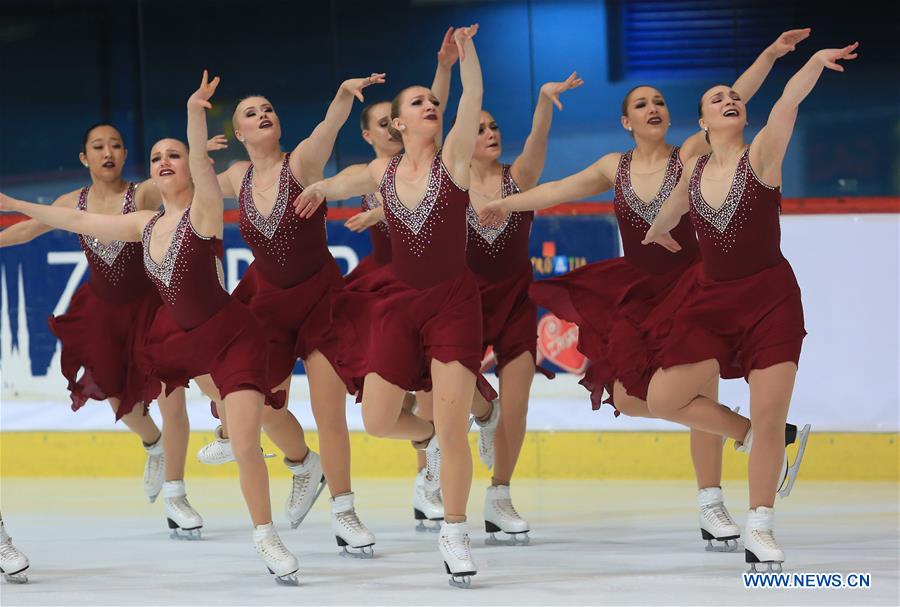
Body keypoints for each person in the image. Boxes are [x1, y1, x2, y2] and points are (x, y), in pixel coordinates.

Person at [480, 29, 813, 552]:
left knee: (697, 392)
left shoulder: (693, 152)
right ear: (625, 121)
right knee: (629, 397)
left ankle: (712, 502)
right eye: (641, 103)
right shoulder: (614, 167)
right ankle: (757, 435)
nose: (653, 107)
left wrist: (769, 54)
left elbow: (735, 100)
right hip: (639, 292)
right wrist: (506, 205)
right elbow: (556, 189)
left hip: (695, 288)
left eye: (659, 101)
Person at [1, 71, 301, 584]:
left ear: (190, 167)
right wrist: (13, 204)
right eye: (157, 157)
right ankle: (223, 445)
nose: (164, 162)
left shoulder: (204, 212)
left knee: (247, 445)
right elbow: (78, 223)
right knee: (192, 410)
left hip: (235, 338)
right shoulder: (144, 225)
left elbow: (204, 168)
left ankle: (265, 534)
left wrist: (194, 113)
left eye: (174, 156)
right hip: (190, 342)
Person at [642, 41, 858, 572]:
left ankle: (759, 525)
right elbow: (665, 218)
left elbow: (786, 103)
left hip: (770, 299)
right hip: (711, 303)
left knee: (769, 411)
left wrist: (810, 64)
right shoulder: (690, 172)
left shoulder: (762, 155)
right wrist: (658, 235)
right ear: (702, 119)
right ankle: (752, 438)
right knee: (663, 396)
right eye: (718, 98)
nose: (730, 100)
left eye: (735, 96)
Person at [294, 25, 484, 588]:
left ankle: (454, 528)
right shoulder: (383, 170)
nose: (430, 105)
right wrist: (318, 189)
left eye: (432, 101)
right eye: (418, 103)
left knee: (452, 428)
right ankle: (421, 442)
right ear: (397, 124)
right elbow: (348, 177)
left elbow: (469, 98)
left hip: (453, 302)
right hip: (400, 305)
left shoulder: (454, 157)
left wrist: (462, 56)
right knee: (378, 420)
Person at [0, 124, 193, 522]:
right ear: (84, 158)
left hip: (153, 307)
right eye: (99, 147)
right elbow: (28, 229)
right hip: (103, 312)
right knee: (116, 398)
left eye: (117, 146)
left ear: (125, 155)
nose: (109, 152)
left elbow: (180, 187)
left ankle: (176, 492)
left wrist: (196, 160)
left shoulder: (142, 193)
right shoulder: (74, 201)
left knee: (170, 396)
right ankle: (153, 444)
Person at [463, 72, 583, 545]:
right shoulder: (450, 186)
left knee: (517, 405)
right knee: (441, 389)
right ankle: (472, 423)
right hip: (464, 304)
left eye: (494, 127)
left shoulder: (519, 179)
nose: (491, 134)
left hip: (515, 301)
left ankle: (499, 495)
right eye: (479, 128)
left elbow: (536, 143)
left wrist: (543, 103)